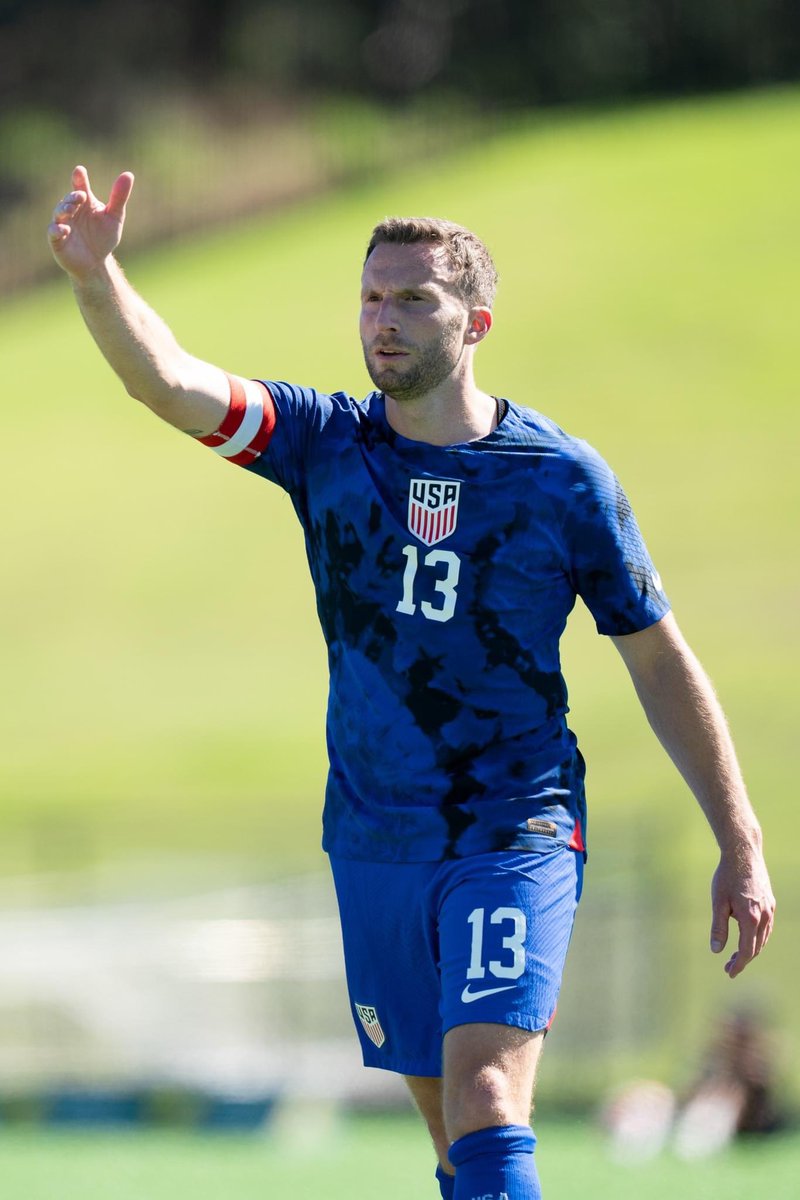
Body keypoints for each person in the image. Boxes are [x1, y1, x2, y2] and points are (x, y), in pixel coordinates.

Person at [48, 165, 775, 1200]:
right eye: (369, 296)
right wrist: (92, 278)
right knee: (453, 1146)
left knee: (486, 1096)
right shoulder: (323, 444)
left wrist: (738, 842)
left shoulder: (560, 481)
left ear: (475, 321)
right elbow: (166, 380)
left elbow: (657, 658)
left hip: (510, 827)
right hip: (372, 835)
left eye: (411, 299)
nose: (380, 320)